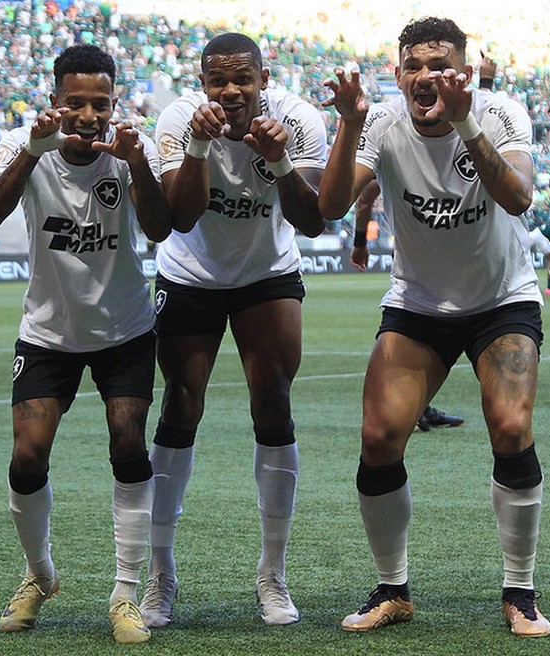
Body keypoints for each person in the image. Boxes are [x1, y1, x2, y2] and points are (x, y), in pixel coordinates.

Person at [319, 16, 550, 638]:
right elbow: (328, 207)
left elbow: (518, 197)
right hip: (420, 303)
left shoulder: (500, 115)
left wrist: (464, 122)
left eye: (440, 65)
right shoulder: (381, 125)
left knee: (510, 426)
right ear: (398, 75)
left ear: (463, 74)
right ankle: (392, 589)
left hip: (501, 299)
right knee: (378, 437)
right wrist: (347, 122)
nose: (427, 77)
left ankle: (519, 591)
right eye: (414, 66)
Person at [0, 43, 172, 644]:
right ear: (54, 101)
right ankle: (40, 575)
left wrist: (138, 165)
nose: (90, 115)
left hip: (125, 329)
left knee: (127, 442)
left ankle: (126, 593)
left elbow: (163, 229)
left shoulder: (129, 151)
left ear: (115, 103)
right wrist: (33, 153)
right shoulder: (23, 144)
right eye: (75, 103)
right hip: (48, 333)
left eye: (101, 103)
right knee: (27, 455)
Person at [140, 32, 326, 628]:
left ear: (264, 80)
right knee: (180, 406)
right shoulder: (176, 119)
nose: (231, 90)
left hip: (266, 273)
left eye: (242, 78)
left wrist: (279, 160)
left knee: (273, 402)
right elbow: (178, 218)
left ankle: (273, 573)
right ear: (202, 83)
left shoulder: (297, 119)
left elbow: (314, 219)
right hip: (190, 273)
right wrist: (197, 146)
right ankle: (160, 574)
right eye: (218, 79)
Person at [352, 180, 465, 432]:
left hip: (423, 268)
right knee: (421, 334)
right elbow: (364, 198)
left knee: (422, 334)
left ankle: (419, 407)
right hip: (453, 267)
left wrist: (360, 242)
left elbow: (364, 200)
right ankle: (415, 408)